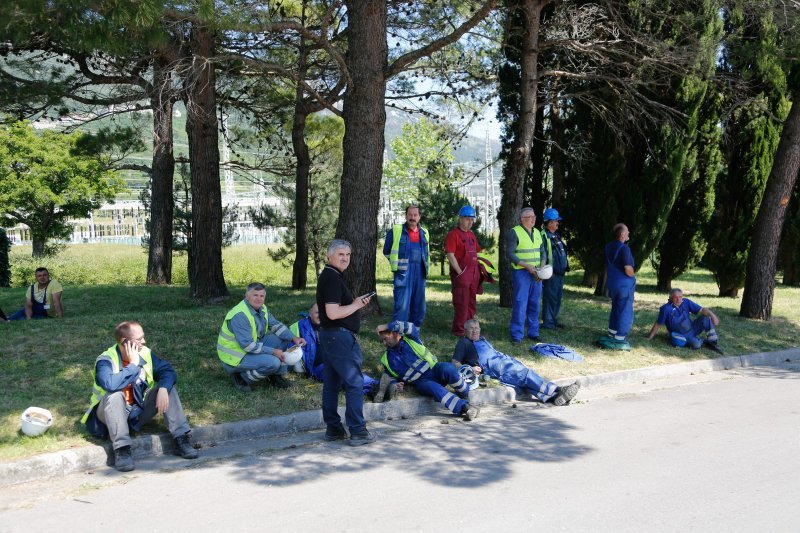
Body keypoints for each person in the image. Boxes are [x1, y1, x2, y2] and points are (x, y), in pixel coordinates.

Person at [81, 321, 198, 472]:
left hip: (136, 411)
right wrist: (133, 365)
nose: (144, 341)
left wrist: (163, 388)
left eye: (143, 337)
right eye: (139, 339)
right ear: (125, 341)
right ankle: (122, 450)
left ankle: (181, 439)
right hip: (109, 415)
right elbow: (110, 384)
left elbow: (168, 370)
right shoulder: (105, 360)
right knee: (115, 395)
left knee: (168, 388)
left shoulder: (145, 352)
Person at [316, 239, 377, 446]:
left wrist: (354, 303)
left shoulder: (330, 276)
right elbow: (332, 313)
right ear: (329, 256)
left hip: (329, 336)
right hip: (339, 337)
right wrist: (356, 305)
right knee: (354, 383)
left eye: (348, 255)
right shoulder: (332, 278)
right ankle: (358, 430)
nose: (345, 258)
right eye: (340, 254)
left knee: (332, 384)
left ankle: (333, 429)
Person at [453, 319, 580, 405]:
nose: (474, 330)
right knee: (525, 375)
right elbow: (455, 362)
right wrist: (470, 369)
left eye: (477, 328)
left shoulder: (481, 339)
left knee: (524, 381)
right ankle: (558, 390)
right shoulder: (463, 342)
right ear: (465, 331)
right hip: (495, 365)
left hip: (503, 359)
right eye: (471, 329)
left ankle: (553, 398)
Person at [376, 320, 479, 420]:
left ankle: (464, 394)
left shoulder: (411, 338)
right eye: (382, 341)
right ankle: (465, 408)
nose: (384, 343)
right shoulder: (387, 358)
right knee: (436, 389)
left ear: (394, 333)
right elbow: (389, 376)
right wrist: (395, 385)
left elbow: (409, 326)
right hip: (421, 382)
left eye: (385, 339)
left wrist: (387, 326)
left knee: (449, 368)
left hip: (434, 369)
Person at [217, 282, 306, 392]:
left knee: (284, 339)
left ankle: (276, 376)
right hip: (235, 355)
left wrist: (293, 338)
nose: (259, 299)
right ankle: (242, 377)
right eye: (255, 295)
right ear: (247, 296)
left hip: (252, 344)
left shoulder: (262, 308)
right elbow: (247, 346)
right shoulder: (240, 315)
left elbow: (275, 325)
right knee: (274, 362)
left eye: (261, 296)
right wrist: (273, 351)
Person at [289, 303, 382, 397]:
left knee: (349, 373)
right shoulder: (299, 327)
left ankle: (375, 388)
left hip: (336, 360)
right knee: (340, 377)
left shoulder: (331, 324)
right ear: (310, 312)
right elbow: (289, 349)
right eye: (317, 313)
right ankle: (375, 386)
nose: (321, 316)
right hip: (319, 366)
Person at [383, 205, 430, 328]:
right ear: (406, 215)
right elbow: (386, 251)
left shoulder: (425, 233)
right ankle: (398, 337)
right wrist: (397, 264)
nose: (412, 217)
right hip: (403, 274)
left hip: (420, 274)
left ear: (419, 217)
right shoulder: (396, 230)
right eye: (410, 215)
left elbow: (426, 254)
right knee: (401, 308)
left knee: (419, 308)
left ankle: (413, 334)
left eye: (415, 215)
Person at [506, 207, 548, 343]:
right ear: (523, 219)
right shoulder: (515, 232)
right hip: (521, 273)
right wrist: (526, 266)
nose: (534, 219)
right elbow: (510, 254)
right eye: (530, 217)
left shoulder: (537, 232)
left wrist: (541, 268)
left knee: (535, 303)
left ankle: (533, 332)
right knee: (520, 302)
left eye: (534, 216)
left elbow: (543, 252)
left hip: (537, 273)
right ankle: (517, 335)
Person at [646, 288, 722, 352]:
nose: (678, 299)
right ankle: (702, 341)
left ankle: (713, 343)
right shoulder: (666, 308)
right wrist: (650, 337)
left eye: (680, 297)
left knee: (706, 318)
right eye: (675, 297)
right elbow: (658, 323)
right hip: (681, 335)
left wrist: (712, 315)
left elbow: (702, 310)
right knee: (697, 345)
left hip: (692, 328)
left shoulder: (686, 302)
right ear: (671, 297)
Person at [445, 205, 482, 336]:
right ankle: (459, 330)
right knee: (462, 302)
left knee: (471, 302)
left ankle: (470, 328)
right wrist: (460, 272)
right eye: (467, 219)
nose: (470, 222)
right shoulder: (453, 235)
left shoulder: (471, 235)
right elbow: (450, 254)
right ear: (460, 219)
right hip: (461, 274)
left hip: (473, 274)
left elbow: (477, 252)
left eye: (472, 219)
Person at [605, 223, 636, 342]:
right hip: (624, 284)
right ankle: (620, 336)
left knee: (616, 307)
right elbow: (628, 269)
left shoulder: (608, 246)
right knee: (625, 308)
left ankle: (612, 331)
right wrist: (633, 275)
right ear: (622, 234)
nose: (629, 233)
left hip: (612, 282)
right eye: (627, 231)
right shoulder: (625, 248)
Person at [541, 208, 569, 330]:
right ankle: (548, 322)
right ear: (550, 222)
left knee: (556, 298)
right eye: (556, 221)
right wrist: (547, 271)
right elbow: (543, 255)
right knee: (550, 298)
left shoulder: (555, 236)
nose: (558, 223)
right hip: (551, 273)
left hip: (559, 273)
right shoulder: (545, 236)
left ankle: (553, 320)